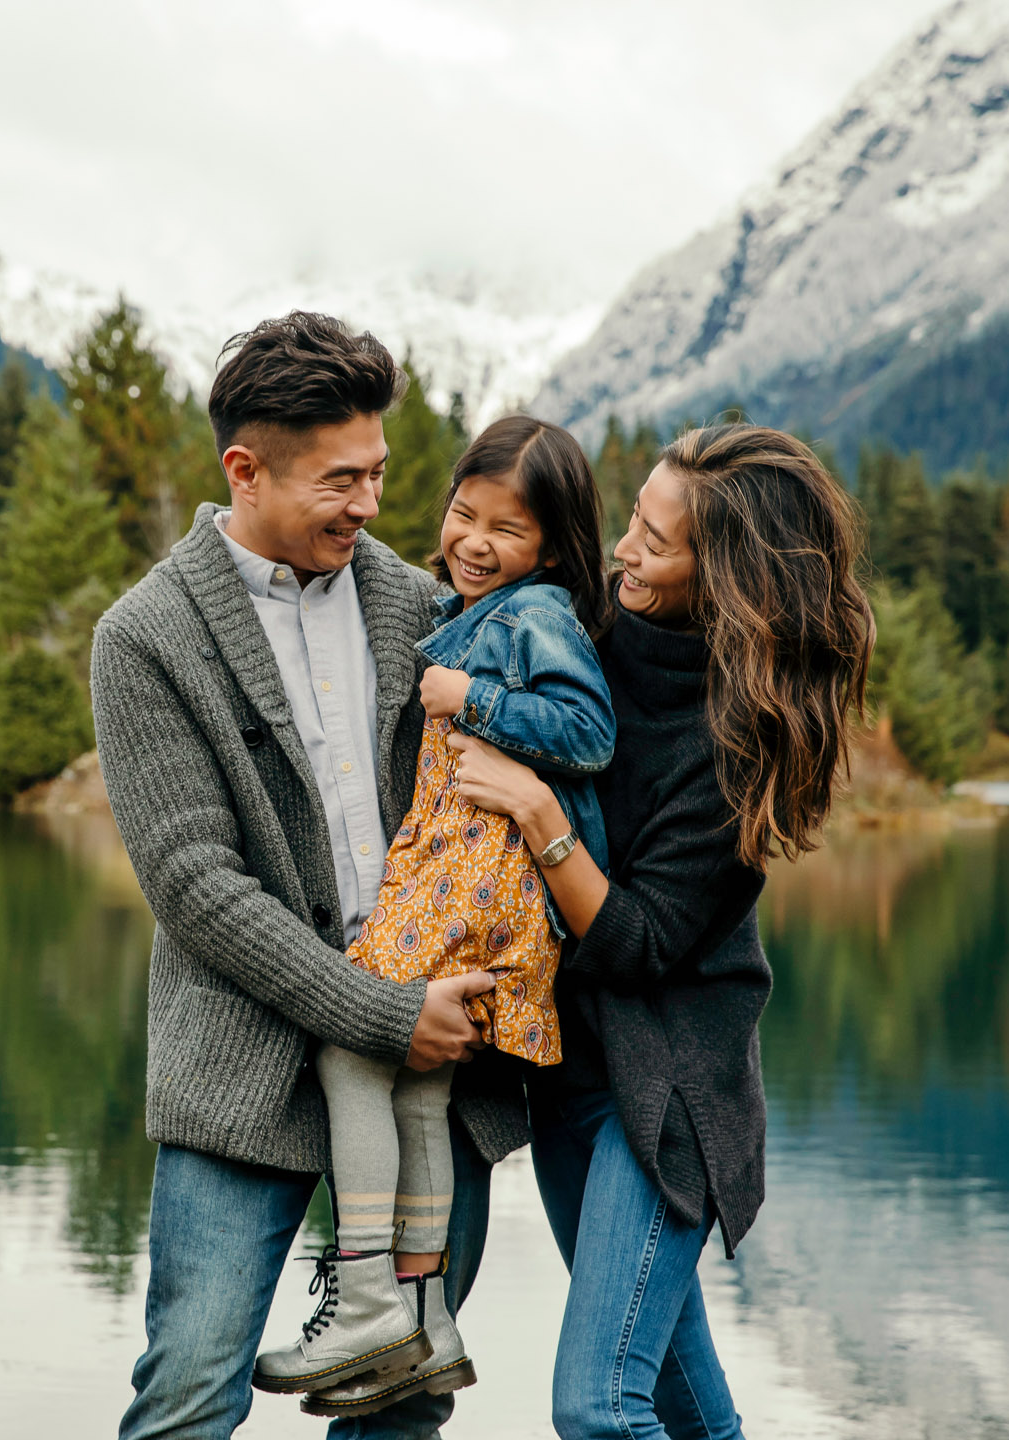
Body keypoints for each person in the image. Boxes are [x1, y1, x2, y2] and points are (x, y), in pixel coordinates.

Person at [91, 311, 525, 1440]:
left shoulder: (424, 609)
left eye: (379, 474)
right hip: (240, 1071)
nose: (372, 505)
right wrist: (381, 1013)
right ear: (245, 468)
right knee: (187, 1399)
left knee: (403, 1399)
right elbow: (195, 885)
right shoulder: (144, 637)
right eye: (342, 481)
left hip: (436, 1068)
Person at [444, 423, 873, 1440]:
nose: (625, 550)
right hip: (563, 1075)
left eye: (655, 541)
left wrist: (540, 815)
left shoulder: (743, 742)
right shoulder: (578, 628)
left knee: (599, 1408)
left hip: (669, 1093)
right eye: (632, 520)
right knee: (689, 1413)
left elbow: (637, 940)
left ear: (721, 577)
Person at [254, 415, 616, 1421]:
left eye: (508, 528)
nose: (474, 540)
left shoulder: (530, 615)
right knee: (416, 1085)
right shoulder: (482, 607)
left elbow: (589, 732)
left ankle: (368, 1291)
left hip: (477, 889)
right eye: (464, 513)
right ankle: (427, 1317)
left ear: (552, 547)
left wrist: (472, 697)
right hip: (461, 883)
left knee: (348, 1051)